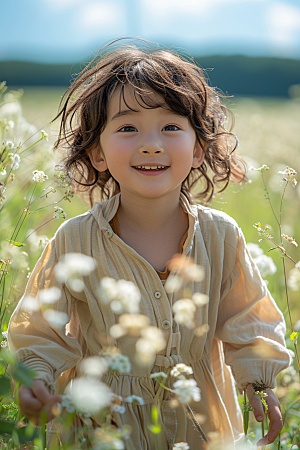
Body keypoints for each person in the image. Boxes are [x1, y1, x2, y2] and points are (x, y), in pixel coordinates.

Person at [8, 39, 291, 449]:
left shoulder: (220, 234)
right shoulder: (75, 239)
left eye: (171, 126)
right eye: (127, 128)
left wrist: (259, 383)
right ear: (97, 152)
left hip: (199, 422)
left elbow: (248, 318)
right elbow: (39, 330)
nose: (151, 143)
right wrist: (34, 379)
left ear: (198, 148)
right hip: (102, 423)